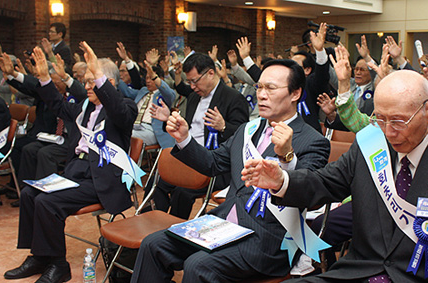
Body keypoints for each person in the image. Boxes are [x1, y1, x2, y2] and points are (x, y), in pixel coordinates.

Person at [243, 70, 428, 282]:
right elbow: (325, 182)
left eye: (398, 121)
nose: (388, 132)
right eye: (380, 119)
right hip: (360, 270)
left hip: (427, 276)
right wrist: (281, 181)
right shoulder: (372, 142)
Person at [130, 59, 330, 282]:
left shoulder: (313, 141)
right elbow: (213, 163)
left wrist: (286, 156)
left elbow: (310, 195)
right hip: (224, 224)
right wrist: (184, 139)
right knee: (153, 244)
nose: (262, 95)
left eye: (271, 88)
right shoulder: (248, 130)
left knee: (197, 266)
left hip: (268, 241)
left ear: (295, 94)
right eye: (259, 87)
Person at [4, 43, 137, 283]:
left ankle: (58, 264)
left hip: (101, 180)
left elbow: (117, 110)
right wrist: (44, 78)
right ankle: (40, 256)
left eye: (91, 81)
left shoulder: (125, 108)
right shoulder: (83, 111)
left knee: (47, 202)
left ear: (108, 83)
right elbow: (56, 103)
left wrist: (99, 76)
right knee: (29, 194)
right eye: (85, 81)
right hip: (75, 174)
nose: (86, 86)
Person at [154, 52, 249, 219]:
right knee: (159, 183)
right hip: (190, 156)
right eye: (188, 81)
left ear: (210, 73)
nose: (191, 86)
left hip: (214, 164)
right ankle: (154, 224)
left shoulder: (234, 98)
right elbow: (187, 128)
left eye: (194, 81)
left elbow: (244, 137)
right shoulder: (193, 98)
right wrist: (169, 117)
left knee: (181, 190)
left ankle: (173, 232)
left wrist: (223, 126)